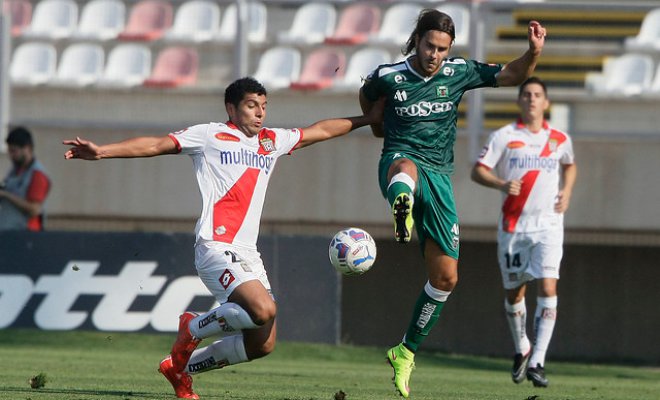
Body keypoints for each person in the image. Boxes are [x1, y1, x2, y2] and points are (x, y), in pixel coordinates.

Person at [63, 77, 384, 399]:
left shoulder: (271, 141)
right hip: (215, 246)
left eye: (263, 106)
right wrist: (102, 151)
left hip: (248, 253)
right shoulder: (209, 135)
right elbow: (155, 145)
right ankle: (192, 327)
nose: (259, 114)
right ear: (231, 108)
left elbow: (321, 130)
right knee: (264, 309)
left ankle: (179, 369)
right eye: (251, 106)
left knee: (263, 343)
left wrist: (367, 120)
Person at [358, 9, 547, 398]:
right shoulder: (388, 76)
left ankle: (404, 351)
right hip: (400, 160)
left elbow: (512, 75)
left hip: (441, 178)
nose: (435, 55)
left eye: (443, 48)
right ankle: (403, 208)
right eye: (430, 46)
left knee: (446, 278)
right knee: (404, 169)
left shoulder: (457, 72)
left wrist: (533, 53)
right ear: (417, 40)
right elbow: (368, 98)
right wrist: (378, 124)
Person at [471, 76, 576, 387]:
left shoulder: (559, 138)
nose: (532, 99)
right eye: (527, 94)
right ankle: (522, 348)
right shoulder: (504, 136)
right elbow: (478, 170)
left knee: (548, 287)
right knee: (515, 293)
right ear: (519, 101)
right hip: (514, 227)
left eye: (537, 95)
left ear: (546, 102)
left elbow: (570, 164)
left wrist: (567, 190)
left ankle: (539, 362)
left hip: (549, 226)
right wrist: (501, 183)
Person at [0, 126, 51, 231]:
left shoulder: (37, 175)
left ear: (27, 148)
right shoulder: (15, 171)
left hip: (25, 234)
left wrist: (6, 195)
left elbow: (34, 209)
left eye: (14, 151)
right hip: (9, 233)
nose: (11, 155)